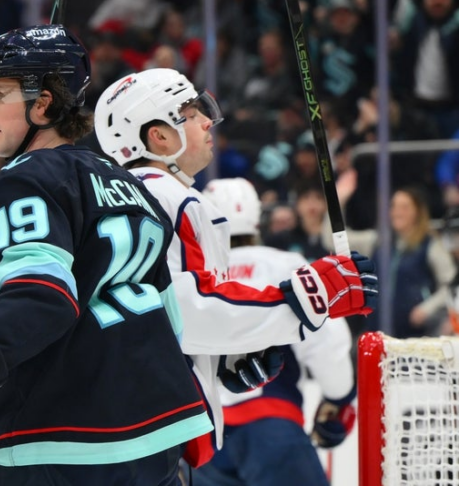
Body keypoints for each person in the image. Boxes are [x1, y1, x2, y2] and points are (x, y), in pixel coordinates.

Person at [0, 24, 214, 485]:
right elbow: (171, 316)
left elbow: (42, 292)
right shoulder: (128, 183)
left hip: (64, 434)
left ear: (43, 103)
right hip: (159, 430)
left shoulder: (26, 179)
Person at [91, 67, 377, 467]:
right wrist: (310, 298)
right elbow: (180, 310)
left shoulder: (112, 196)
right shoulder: (170, 197)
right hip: (153, 427)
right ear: (158, 136)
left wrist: (222, 358)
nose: (207, 121)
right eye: (190, 114)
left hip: (118, 418)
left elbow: (150, 317)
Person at [193, 178, 357, 486]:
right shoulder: (285, 265)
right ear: (258, 218)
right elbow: (326, 341)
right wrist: (339, 397)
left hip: (204, 439)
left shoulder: (192, 277)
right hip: (270, 425)